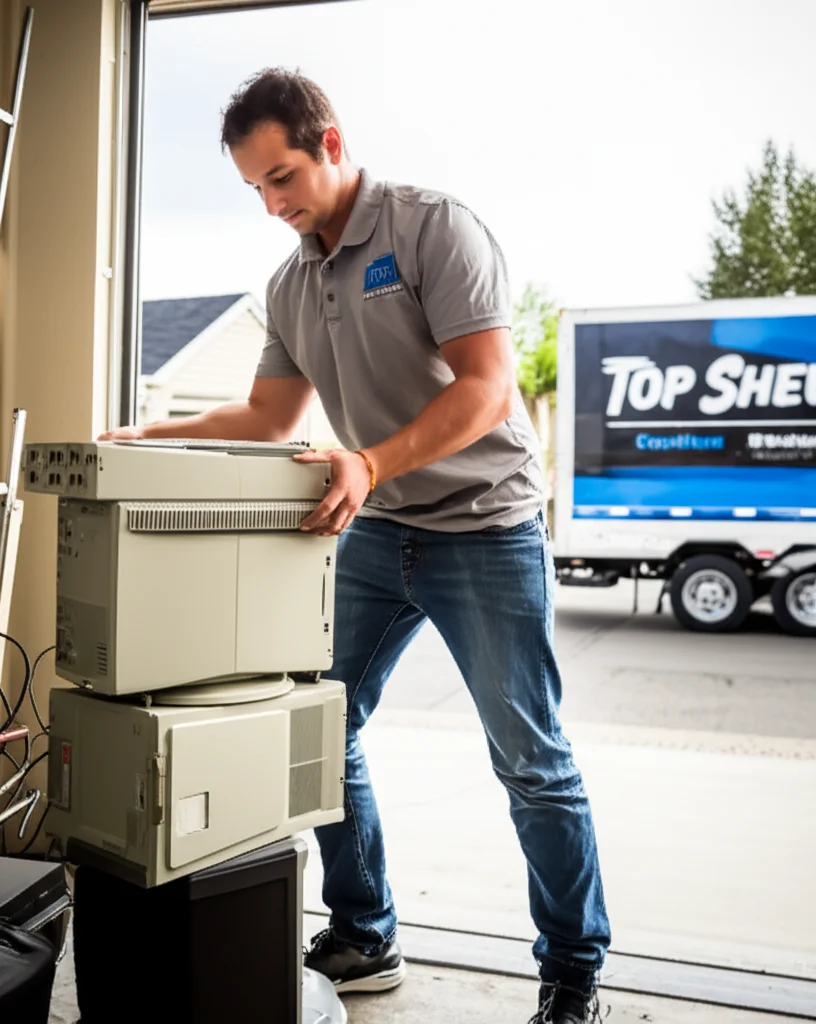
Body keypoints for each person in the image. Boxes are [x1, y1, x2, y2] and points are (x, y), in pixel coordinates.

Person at [101, 68, 611, 1024]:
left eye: (284, 176)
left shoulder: (432, 228)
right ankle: (365, 932)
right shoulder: (293, 281)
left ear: (331, 143)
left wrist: (370, 463)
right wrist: (146, 435)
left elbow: (488, 387)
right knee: (318, 728)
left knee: (530, 760)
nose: (273, 204)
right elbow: (265, 415)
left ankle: (574, 969)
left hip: (486, 527)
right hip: (379, 527)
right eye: (255, 187)